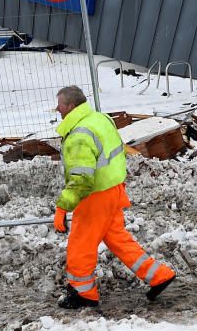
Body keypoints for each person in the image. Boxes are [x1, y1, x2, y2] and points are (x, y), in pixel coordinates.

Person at [51, 85, 175, 309]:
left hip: (94, 196)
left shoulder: (79, 135)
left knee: (80, 245)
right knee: (119, 239)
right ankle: (160, 276)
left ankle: (83, 294)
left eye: (59, 104)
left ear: (70, 106)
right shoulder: (100, 119)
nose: (56, 109)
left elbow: (81, 180)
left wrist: (62, 208)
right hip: (114, 190)